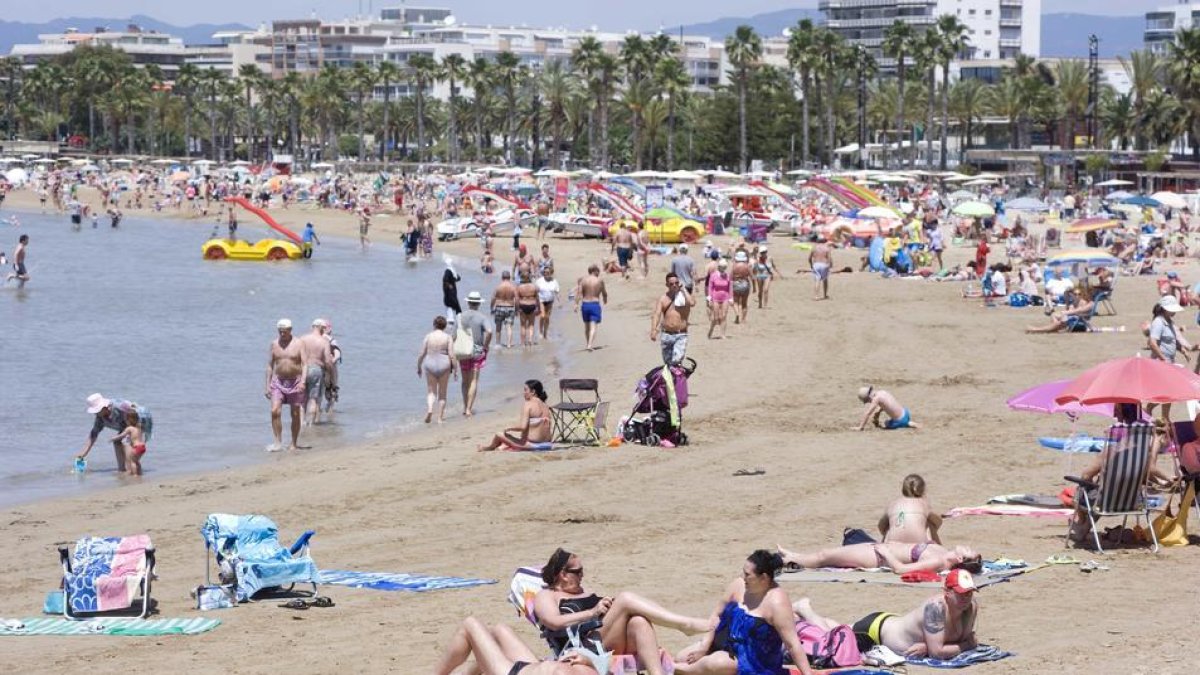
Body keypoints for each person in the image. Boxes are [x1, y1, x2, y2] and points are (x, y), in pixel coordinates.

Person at [533, 548, 710, 675]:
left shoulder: (582, 590)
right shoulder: (547, 595)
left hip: (605, 639)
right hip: (582, 647)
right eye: (577, 572)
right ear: (563, 574)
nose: (582, 576)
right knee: (625, 598)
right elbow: (553, 622)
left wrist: (607, 606)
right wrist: (592, 613)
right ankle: (684, 624)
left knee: (638, 621)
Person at [674, 550, 815, 675]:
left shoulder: (777, 603)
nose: (743, 577)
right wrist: (705, 645)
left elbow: (792, 644)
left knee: (717, 663)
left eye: (748, 574)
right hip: (724, 641)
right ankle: (677, 666)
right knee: (682, 657)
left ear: (764, 578)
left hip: (753, 659)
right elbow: (717, 615)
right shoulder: (738, 585)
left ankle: (676, 669)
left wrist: (807, 674)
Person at [793, 569, 979, 659]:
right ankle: (805, 610)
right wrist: (964, 645)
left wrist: (930, 646)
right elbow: (941, 652)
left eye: (969, 592)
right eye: (961, 593)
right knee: (831, 638)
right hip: (876, 631)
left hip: (891, 624)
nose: (966, 597)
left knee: (839, 629)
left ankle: (806, 614)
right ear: (947, 592)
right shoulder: (935, 608)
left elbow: (949, 644)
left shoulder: (971, 607)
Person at [434, 617, 600, 675]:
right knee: (500, 631)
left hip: (512, 672)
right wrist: (586, 660)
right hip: (534, 666)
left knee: (470, 625)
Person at [776, 541, 981, 575]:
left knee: (826, 556)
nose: (968, 546)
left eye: (969, 550)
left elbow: (901, 569)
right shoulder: (943, 551)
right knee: (828, 554)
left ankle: (788, 558)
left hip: (877, 556)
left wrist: (886, 553)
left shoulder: (939, 562)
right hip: (879, 549)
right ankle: (793, 557)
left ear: (961, 558)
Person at [76, 394, 153, 473]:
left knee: (125, 441)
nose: (95, 413)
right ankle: (121, 469)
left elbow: (135, 413)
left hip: (139, 419)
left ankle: (130, 469)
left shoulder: (120, 407)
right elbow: (93, 436)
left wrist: (137, 430)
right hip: (125, 426)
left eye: (97, 411)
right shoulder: (100, 418)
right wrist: (83, 454)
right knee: (116, 441)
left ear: (104, 407)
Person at [266, 318, 307, 452]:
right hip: (278, 382)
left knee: (295, 413)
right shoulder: (274, 344)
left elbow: (305, 364)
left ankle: (293, 443)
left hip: (295, 382)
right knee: (274, 411)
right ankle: (277, 442)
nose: (282, 334)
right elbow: (270, 365)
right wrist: (267, 385)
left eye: (284, 332)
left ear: (290, 330)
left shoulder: (299, 343)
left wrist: (303, 381)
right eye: (280, 332)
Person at [478, 379, 554, 450]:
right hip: (548, 445)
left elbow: (522, 427)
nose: (523, 393)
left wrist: (510, 428)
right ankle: (500, 447)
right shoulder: (545, 405)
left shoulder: (528, 404)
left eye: (525, 390)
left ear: (533, 392)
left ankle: (488, 448)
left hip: (534, 445)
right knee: (505, 444)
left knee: (499, 434)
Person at [457, 292, 495, 417]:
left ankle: (464, 406)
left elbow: (453, 335)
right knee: (474, 380)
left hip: (463, 350)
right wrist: (486, 345)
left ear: (468, 302)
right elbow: (489, 331)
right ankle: (469, 409)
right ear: (479, 303)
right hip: (477, 349)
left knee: (464, 381)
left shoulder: (460, 316)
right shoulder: (482, 317)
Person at [879, 474, 943, 545]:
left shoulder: (893, 504)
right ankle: (940, 551)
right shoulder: (923, 503)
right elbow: (938, 521)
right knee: (929, 523)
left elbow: (881, 526)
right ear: (923, 490)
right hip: (919, 542)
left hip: (893, 543)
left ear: (903, 489)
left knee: (889, 525)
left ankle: (883, 547)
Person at [417, 315, 458, 424]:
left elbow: (422, 353)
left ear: (434, 325)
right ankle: (440, 418)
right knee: (442, 393)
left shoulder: (428, 336)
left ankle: (430, 409)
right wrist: (455, 369)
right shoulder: (448, 337)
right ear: (444, 326)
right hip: (444, 364)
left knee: (431, 392)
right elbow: (452, 355)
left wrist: (419, 366)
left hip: (430, 364)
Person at [650, 272, 694, 366]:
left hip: (681, 334)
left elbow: (692, 303)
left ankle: (677, 378)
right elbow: (657, 314)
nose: (674, 285)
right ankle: (674, 380)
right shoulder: (663, 299)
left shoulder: (684, 296)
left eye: (676, 283)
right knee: (668, 364)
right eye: (671, 284)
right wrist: (653, 329)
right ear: (667, 285)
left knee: (677, 361)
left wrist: (684, 289)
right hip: (666, 335)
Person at [299, 319, 335, 428]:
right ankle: (311, 424)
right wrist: (331, 373)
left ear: (312, 327)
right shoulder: (324, 342)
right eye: (324, 329)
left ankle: (301, 424)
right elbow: (328, 361)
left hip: (302, 369)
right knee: (313, 398)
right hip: (316, 369)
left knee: (302, 399)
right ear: (321, 328)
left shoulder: (302, 339)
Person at [1025, 288, 1096, 333]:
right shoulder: (1074, 303)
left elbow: (1078, 311)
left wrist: (1064, 313)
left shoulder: (1090, 303)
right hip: (1074, 320)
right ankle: (1053, 329)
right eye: (1075, 294)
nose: (1077, 296)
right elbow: (1070, 310)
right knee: (1054, 315)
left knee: (1059, 321)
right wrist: (1067, 301)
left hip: (1080, 323)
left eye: (1079, 294)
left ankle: (1036, 330)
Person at [575, 264, 608, 352]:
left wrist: (576, 304)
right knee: (593, 326)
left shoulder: (583, 281)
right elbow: (604, 292)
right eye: (598, 271)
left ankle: (588, 343)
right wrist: (605, 299)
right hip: (594, 304)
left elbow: (579, 293)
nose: (599, 273)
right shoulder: (599, 280)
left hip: (585, 304)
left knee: (586, 326)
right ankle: (589, 344)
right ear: (595, 271)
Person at [1149, 295, 1186, 364]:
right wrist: (1163, 359)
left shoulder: (1170, 322)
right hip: (1159, 362)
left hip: (1169, 361)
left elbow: (1172, 340)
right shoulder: (1158, 322)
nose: (1175, 312)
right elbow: (1152, 343)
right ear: (1165, 309)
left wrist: (1182, 350)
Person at [111, 410, 148, 477]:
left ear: (128, 420)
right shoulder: (139, 427)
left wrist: (114, 438)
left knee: (132, 461)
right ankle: (140, 472)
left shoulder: (129, 428)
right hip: (142, 447)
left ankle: (135, 474)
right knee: (136, 461)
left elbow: (122, 435)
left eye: (126, 420)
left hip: (136, 447)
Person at [491, 270, 518, 348]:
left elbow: (493, 298)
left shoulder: (498, 286)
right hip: (510, 307)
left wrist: (491, 308)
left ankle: (498, 344)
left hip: (499, 307)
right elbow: (517, 299)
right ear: (509, 277)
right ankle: (509, 344)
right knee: (509, 326)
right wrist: (516, 310)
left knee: (498, 327)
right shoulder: (513, 287)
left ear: (502, 277)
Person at [705, 259, 732, 340]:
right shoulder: (713, 275)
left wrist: (731, 298)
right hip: (715, 297)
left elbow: (730, 287)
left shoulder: (728, 276)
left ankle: (722, 334)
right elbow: (710, 287)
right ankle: (711, 330)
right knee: (716, 318)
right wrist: (709, 298)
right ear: (719, 267)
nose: (723, 268)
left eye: (725, 267)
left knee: (723, 316)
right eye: (721, 267)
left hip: (725, 297)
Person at [517, 271, 542, 347]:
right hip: (532, 305)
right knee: (531, 324)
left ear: (522, 278)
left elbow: (517, 299)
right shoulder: (534, 287)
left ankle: (523, 343)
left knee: (523, 325)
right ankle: (530, 340)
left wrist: (517, 309)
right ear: (529, 277)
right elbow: (537, 298)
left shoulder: (519, 287)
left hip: (523, 305)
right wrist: (539, 308)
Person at [536, 267, 561, 341]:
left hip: (550, 301)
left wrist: (559, 302)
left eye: (548, 272)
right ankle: (540, 331)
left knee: (547, 317)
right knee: (543, 316)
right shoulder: (539, 281)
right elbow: (535, 291)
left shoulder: (554, 281)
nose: (546, 274)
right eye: (545, 272)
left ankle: (545, 333)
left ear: (551, 273)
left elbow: (557, 292)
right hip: (541, 300)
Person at [730, 250, 752, 324]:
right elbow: (752, 277)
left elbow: (730, 277)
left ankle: (737, 314)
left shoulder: (734, 266)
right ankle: (743, 319)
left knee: (736, 302)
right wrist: (755, 287)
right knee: (744, 303)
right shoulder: (747, 266)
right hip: (745, 284)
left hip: (736, 284)